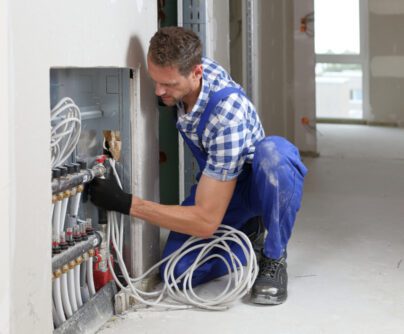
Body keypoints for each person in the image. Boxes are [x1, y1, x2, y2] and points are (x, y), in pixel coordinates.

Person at [90, 26, 307, 305]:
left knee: (274, 156)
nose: (158, 91)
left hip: (255, 183)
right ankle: (249, 238)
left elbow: (205, 222)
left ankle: (274, 256)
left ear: (196, 73)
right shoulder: (188, 74)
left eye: (168, 85)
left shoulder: (228, 115)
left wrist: (127, 203)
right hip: (219, 181)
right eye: (156, 80)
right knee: (177, 273)